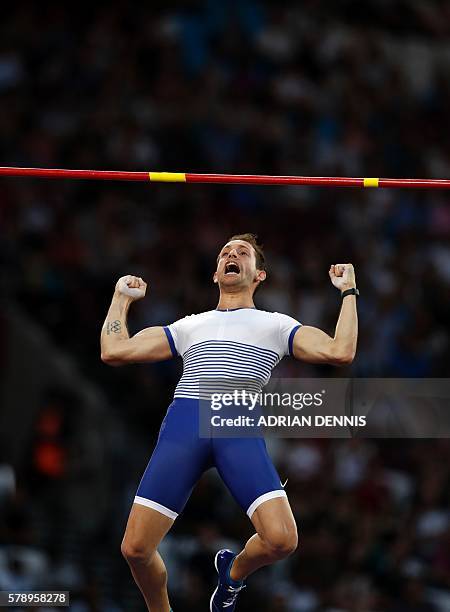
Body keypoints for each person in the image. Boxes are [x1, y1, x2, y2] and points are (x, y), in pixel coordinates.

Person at [100, 233, 358, 612]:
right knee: (135, 549)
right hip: (186, 422)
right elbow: (114, 350)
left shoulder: (276, 325)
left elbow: (340, 351)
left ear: (259, 276)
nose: (231, 255)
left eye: (242, 252)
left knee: (282, 540)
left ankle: (232, 575)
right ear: (216, 274)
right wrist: (120, 298)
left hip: (236, 424)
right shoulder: (189, 326)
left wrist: (348, 292)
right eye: (225, 252)